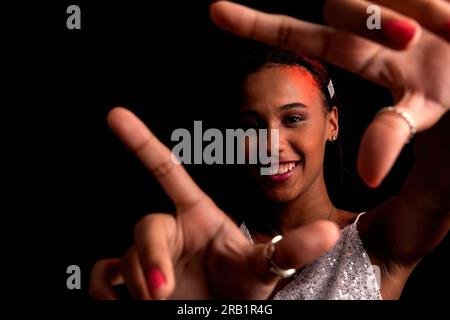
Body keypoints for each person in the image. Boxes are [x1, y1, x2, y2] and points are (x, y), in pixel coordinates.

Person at [88, 0, 450, 300]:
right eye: (251, 126)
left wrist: (443, 92)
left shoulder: (378, 241)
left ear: (332, 123)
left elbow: (440, 180)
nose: (270, 145)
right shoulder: (211, 256)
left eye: (292, 119)